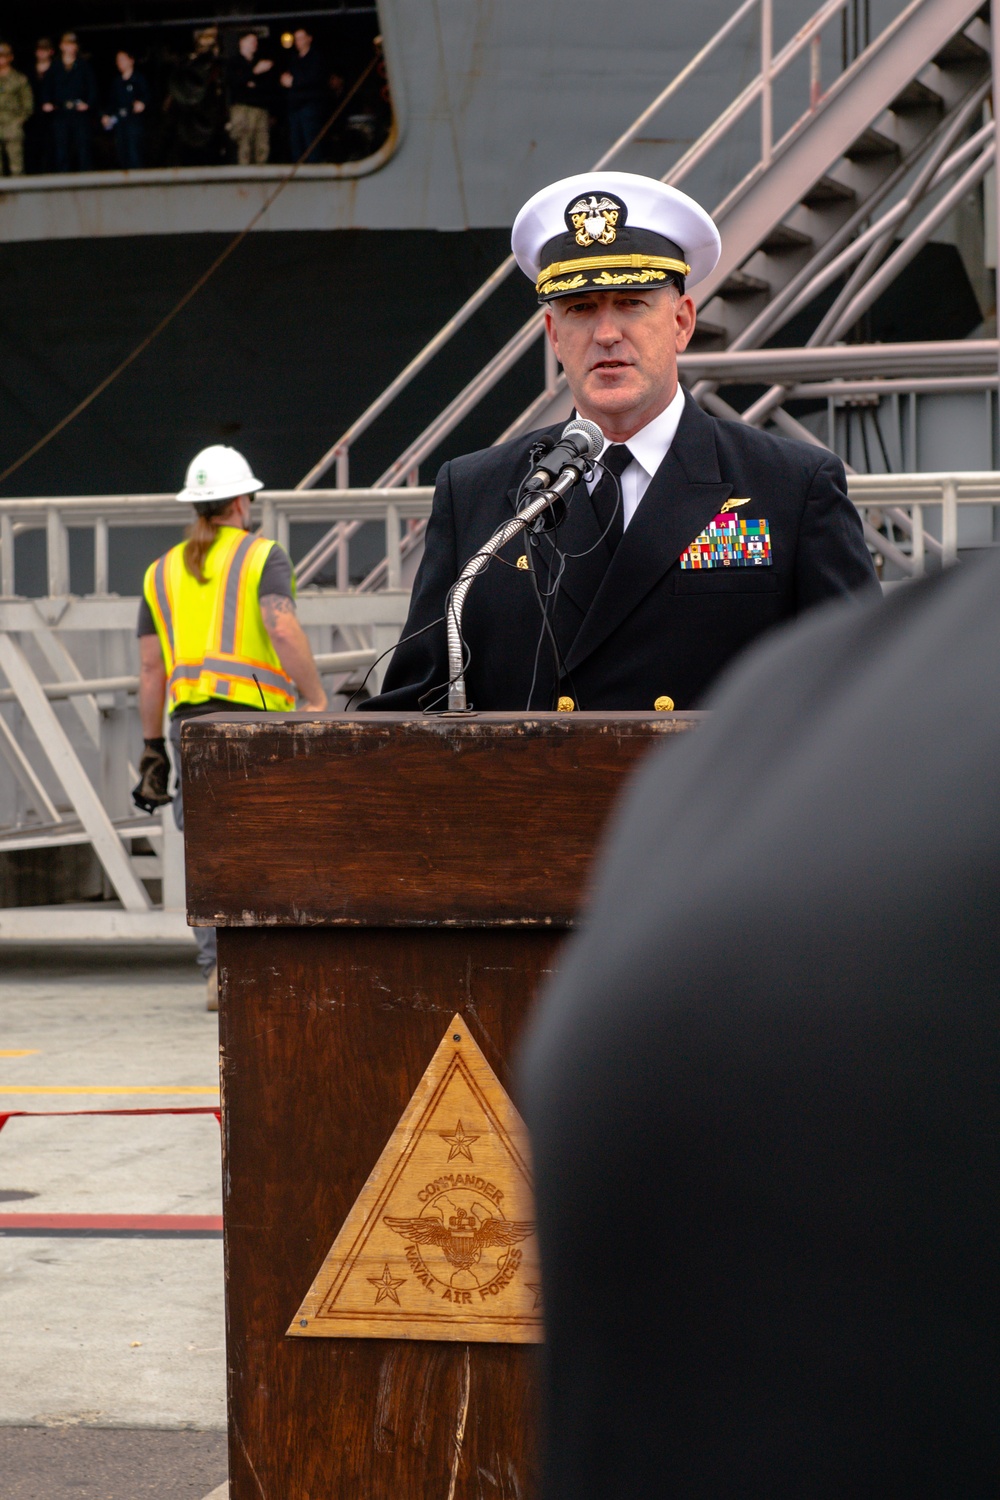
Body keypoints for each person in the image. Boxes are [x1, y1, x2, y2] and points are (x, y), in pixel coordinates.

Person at [363, 171, 878, 714]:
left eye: (631, 303)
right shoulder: (476, 492)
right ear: (553, 334)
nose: (606, 333)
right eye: (581, 309)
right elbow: (414, 706)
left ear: (681, 322)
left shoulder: (790, 487)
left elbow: (861, 688)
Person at [134, 446, 328, 1009]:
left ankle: (219, 970)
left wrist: (152, 748)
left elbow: (151, 670)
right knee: (272, 844)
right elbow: (282, 627)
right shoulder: (261, 555)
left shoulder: (160, 572)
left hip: (188, 726)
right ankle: (270, 965)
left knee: (208, 854)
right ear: (243, 501)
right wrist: (314, 699)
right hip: (254, 724)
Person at [45, 32, 97, 172]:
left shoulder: (83, 66)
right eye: (67, 44)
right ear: (62, 46)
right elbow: (47, 87)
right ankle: (63, 179)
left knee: (83, 147)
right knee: (62, 148)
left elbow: (92, 88)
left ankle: (86, 178)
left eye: (73, 44)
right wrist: (47, 102)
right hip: (61, 111)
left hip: (79, 112)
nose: (70, 48)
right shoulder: (55, 67)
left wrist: (88, 103)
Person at [279, 27, 330, 162]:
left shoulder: (316, 57)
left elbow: (314, 78)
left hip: (310, 106)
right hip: (294, 107)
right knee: (296, 144)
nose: (298, 42)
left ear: (309, 38)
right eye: (296, 39)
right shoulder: (293, 59)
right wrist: (285, 80)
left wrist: (294, 82)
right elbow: (288, 77)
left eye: (301, 38)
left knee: (312, 143)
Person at [226, 31, 273, 165]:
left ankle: (261, 181)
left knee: (262, 146)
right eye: (251, 41)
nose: (255, 44)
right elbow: (233, 83)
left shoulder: (260, 61)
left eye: (255, 41)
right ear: (242, 42)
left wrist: (250, 82)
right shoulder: (234, 62)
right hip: (242, 109)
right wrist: (254, 73)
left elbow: (267, 85)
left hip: (260, 109)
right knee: (244, 145)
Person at [102, 48, 150, 170]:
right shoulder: (116, 82)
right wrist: (106, 115)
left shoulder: (139, 79)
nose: (120, 63)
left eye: (122, 59)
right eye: (118, 60)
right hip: (120, 123)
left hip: (134, 122)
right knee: (121, 153)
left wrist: (142, 104)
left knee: (135, 153)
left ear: (131, 60)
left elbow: (146, 97)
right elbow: (111, 103)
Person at [0, 42, 33, 177]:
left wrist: (18, 121)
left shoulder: (19, 79)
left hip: (12, 125)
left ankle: (18, 197)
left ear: (10, 58)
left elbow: (28, 105)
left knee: (16, 167)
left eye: (3, 56)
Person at [25, 37, 54, 173]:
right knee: (33, 149)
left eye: (44, 50)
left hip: (52, 117)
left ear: (50, 52)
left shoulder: (56, 70)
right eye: (39, 50)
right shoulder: (29, 72)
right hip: (33, 117)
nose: (41, 53)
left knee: (51, 150)